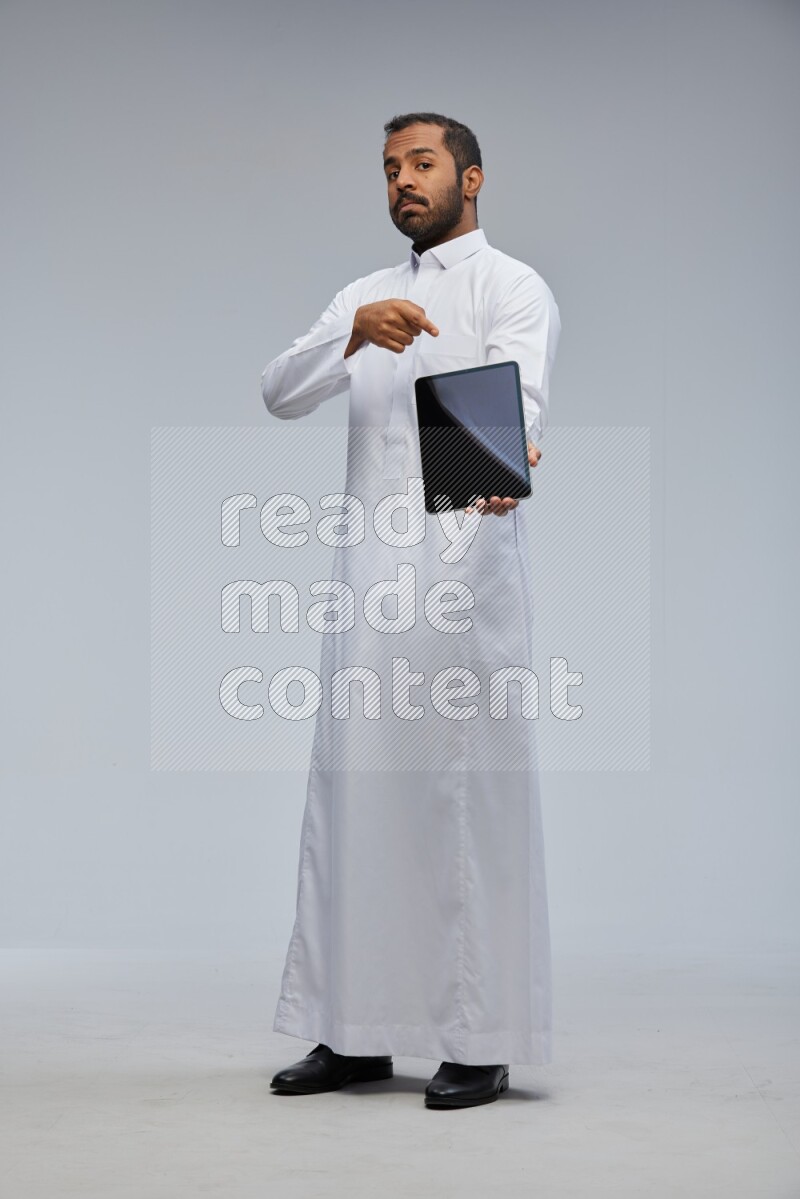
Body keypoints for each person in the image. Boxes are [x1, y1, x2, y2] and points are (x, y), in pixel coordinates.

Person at [261, 111, 561, 1109]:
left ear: (470, 178)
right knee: (352, 804)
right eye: (390, 168)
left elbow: (517, 408)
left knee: (460, 804)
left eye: (421, 164)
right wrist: (353, 334)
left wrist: (501, 463)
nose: (402, 180)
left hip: (462, 586)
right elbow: (278, 390)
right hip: (364, 592)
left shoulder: (508, 285)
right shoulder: (365, 294)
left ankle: (477, 1038)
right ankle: (350, 1032)